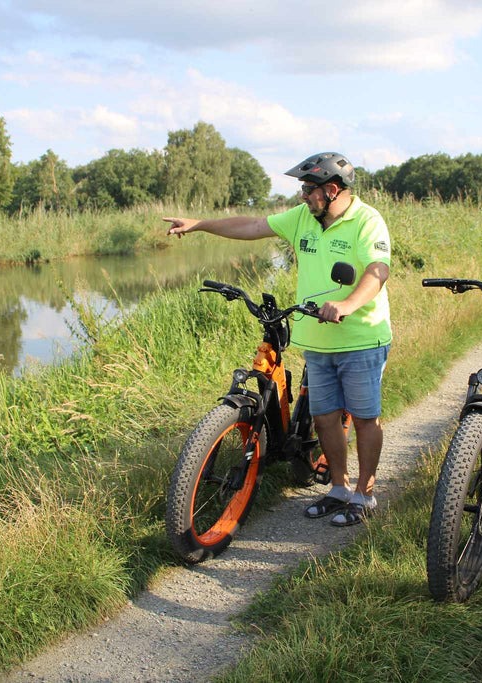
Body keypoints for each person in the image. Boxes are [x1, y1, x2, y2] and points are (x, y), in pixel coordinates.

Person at [163, 152, 392, 527]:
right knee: (325, 419)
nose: (303, 195)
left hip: (361, 339)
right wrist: (200, 224)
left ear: (332, 190)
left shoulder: (367, 220)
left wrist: (348, 304)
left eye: (308, 188)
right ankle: (339, 488)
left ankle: (364, 495)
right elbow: (253, 225)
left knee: (366, 419)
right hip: (317, 340)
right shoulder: (303, 218)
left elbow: (377, 270)